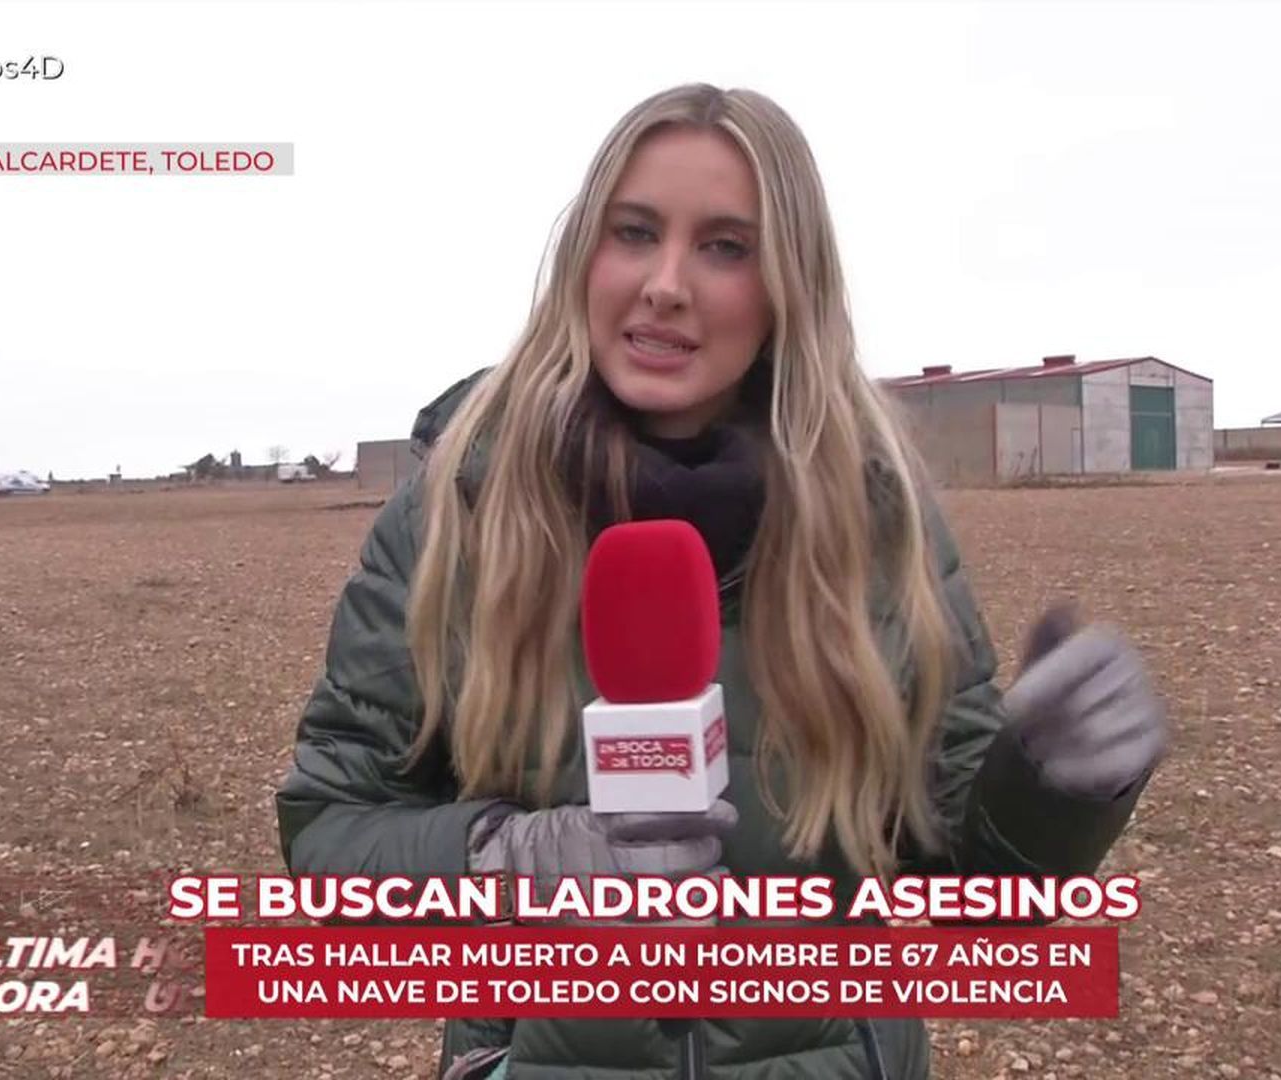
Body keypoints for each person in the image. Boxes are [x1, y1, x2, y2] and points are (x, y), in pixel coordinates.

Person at [275, 83, 1168, 1080]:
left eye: (724, 247)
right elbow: (331, 834)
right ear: (585, 257)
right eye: (635, 232)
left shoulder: (875, 521)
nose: (664, 283)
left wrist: (1051, 789)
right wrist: (505, 859)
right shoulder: (460, 509)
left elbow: (963, 895)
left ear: (789, 285)